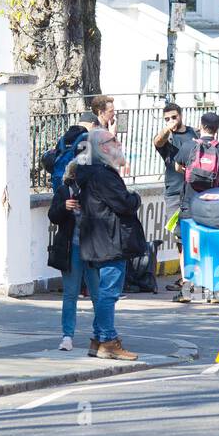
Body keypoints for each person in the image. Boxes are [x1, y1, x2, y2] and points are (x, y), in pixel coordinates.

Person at [74, 127, 146, 361]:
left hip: (100, 239)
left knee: (105, 292)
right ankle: (107, 340)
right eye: (114, 140)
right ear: (104, 147)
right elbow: (123, 203)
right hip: (109, 239)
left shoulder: (92, 172)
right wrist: (135, 196)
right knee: (108, 293)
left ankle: (99, 339)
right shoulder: (103, 174)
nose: (119, 143)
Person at [46, 127, 98, 350]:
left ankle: (100, 333)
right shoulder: (65, 191)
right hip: (72, 248)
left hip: (94, 248)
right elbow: (53, 216)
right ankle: (67, 336)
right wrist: (65, 207)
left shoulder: (96, 188)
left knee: (98, 294)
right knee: (70, 294)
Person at [171, 111, 219, 303]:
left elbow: (177, 168)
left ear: (200, 125)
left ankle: (188, 290)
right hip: (211, 206)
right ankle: (213, 291)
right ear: (218, 128)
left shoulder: (189, 146)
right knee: (209, 247)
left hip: (189, 204)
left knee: (188, 248)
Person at [152, 103, 197, 295]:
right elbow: (157, 142)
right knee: (180, 236)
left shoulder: (193, 134)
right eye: (167, 118)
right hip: (173, 192)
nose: (171, 121)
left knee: (195, 235)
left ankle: (192, 277)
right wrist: (166, 130)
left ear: (181, 115)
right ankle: (186, 277)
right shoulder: (166, 137)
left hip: (193, 190)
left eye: (174, 117)